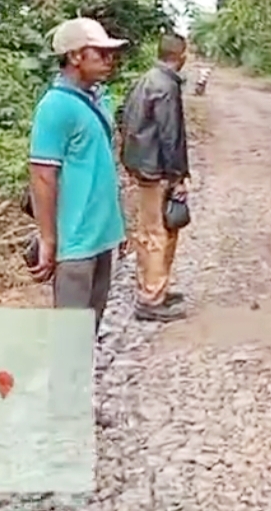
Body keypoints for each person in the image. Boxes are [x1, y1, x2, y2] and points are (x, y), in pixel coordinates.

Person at [27, 18, 128, 333]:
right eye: (100, 53)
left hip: (100, 237)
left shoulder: (93, 99)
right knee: (70, 334)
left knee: (89, 329)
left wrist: (119, 226)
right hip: (75, 244)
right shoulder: (55, 107)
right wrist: (48, 238)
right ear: (75, 57)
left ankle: (78, 381)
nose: (109, 60)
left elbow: (102, 168)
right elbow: (42, 176)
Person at [119, 33, 191, 321]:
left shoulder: (146, 79)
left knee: (155, 230)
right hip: (157, 170)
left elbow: (123, 116)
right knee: (156, 233)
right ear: (181, 55)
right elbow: (170, 134)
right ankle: (150, 297)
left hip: (143, 166)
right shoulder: (166, 86)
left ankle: (156, 286)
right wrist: (178, 176)